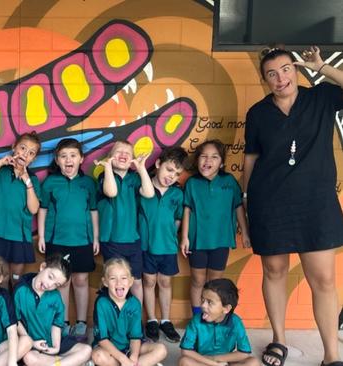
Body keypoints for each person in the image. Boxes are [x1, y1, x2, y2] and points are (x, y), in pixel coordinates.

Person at [243, 45, 343, 366]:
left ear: (297, 70)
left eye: (286, 69)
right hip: (270, 205)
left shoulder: (322, 97)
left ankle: (331, 355)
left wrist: (322, 67)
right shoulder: (258, 114)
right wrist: (245, 205)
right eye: (271, 74)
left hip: (317, 206)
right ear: (265, 80)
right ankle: (279, 339)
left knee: (324, 280)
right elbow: (250, 160)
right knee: (274, 271)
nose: (280, 78)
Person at [180, 140, 250, 316]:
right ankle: (197, 318)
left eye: (214, 157)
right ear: (197, 160)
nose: (207, 161)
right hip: (197, 241)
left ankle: (211, 316)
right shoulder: (192, 183)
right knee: (197, 280)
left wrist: (246, 232)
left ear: (222, 163)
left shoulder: (229, 182)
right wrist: (185, 237)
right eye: (203, 156)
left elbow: (238, 207)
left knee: (215, 281)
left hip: (221, 240)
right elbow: (187, 210)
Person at [38, 138, 99, 339]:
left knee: (81, 280)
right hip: (57, 240)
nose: (68, 160)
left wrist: (96, 238)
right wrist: (41, 235)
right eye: (63, 156)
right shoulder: (50, 183)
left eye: (73, 155)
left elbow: (93, 211)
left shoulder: (88, 183)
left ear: (81, 159)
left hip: (83, 241)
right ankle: (62, 322)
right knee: (61, 282)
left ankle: (81, 322)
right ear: (57, 160)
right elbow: (43, 209)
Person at [0, 132, 41, 288]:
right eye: (23, 148)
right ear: (14, 147)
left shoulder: (32, 180)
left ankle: (16, 310)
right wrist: (0, 163)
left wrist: (27, 181)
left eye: (31, 153)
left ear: (34, 159)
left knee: (16, 277)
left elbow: (34, 209)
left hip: (19, 236)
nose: (25, 154)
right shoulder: (1, 172)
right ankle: (3, 310)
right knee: (1, 278)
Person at [95, 140, 154, 303]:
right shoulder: (104, 177)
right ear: (110, 157)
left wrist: (141, 168)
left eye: (127, 153)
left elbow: (149, 193)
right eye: (118, 152)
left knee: (135, 281)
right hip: (112, 241)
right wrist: (107, 167)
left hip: (133, 240)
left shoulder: (135, 178)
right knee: (115, 283)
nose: (123, 155)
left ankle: (135, 320)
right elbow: (112, 192)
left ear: (132, 160)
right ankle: (115, 319)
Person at [140, 146, 187, 343]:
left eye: (177, 174)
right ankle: (151, 320)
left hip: (167, 247)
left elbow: (178, 219)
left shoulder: (177, 194)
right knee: (149, 282)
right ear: (158, 164)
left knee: (165, 282)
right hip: (146, 246)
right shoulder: (143, 187)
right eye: (169, 170)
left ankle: (165, 321)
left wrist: (170, 236)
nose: (171, 176)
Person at [14, 253, 92, 366]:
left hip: (51, 342)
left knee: (87, 350)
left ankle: (57, 363)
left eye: (56, 284)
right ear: (43, 267)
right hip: (32, 345)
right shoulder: (20, 290)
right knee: (29, 358)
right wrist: (32, 343)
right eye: (50, 277)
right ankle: (69, 363)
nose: (50, 285)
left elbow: (56, 323)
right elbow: (15, 321)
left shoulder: (55, 296)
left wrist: (56, 347)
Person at [91, 257, 167, 366]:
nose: (119, 283)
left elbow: (135, 336)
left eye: (123, 278)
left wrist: (134, 357)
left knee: (161, 349)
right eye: (113, 278)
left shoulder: (134, 303)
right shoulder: (101, 303)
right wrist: (123, 359)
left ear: (131, 281)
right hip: (110, 350)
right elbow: (102, 339)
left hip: (131, 347)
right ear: (105, 282)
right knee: (98, 356)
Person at [178, 278, 259, 366]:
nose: (203, 305)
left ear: (226, 309)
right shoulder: (196, 321)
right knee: (184, 362)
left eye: (209, 302)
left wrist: (215, 359)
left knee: (253, 362)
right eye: (202, 300)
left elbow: (244, 353)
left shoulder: (236, 322)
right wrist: (213, 363)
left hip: (224, 359)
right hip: (203, 360)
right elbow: (185, 351)